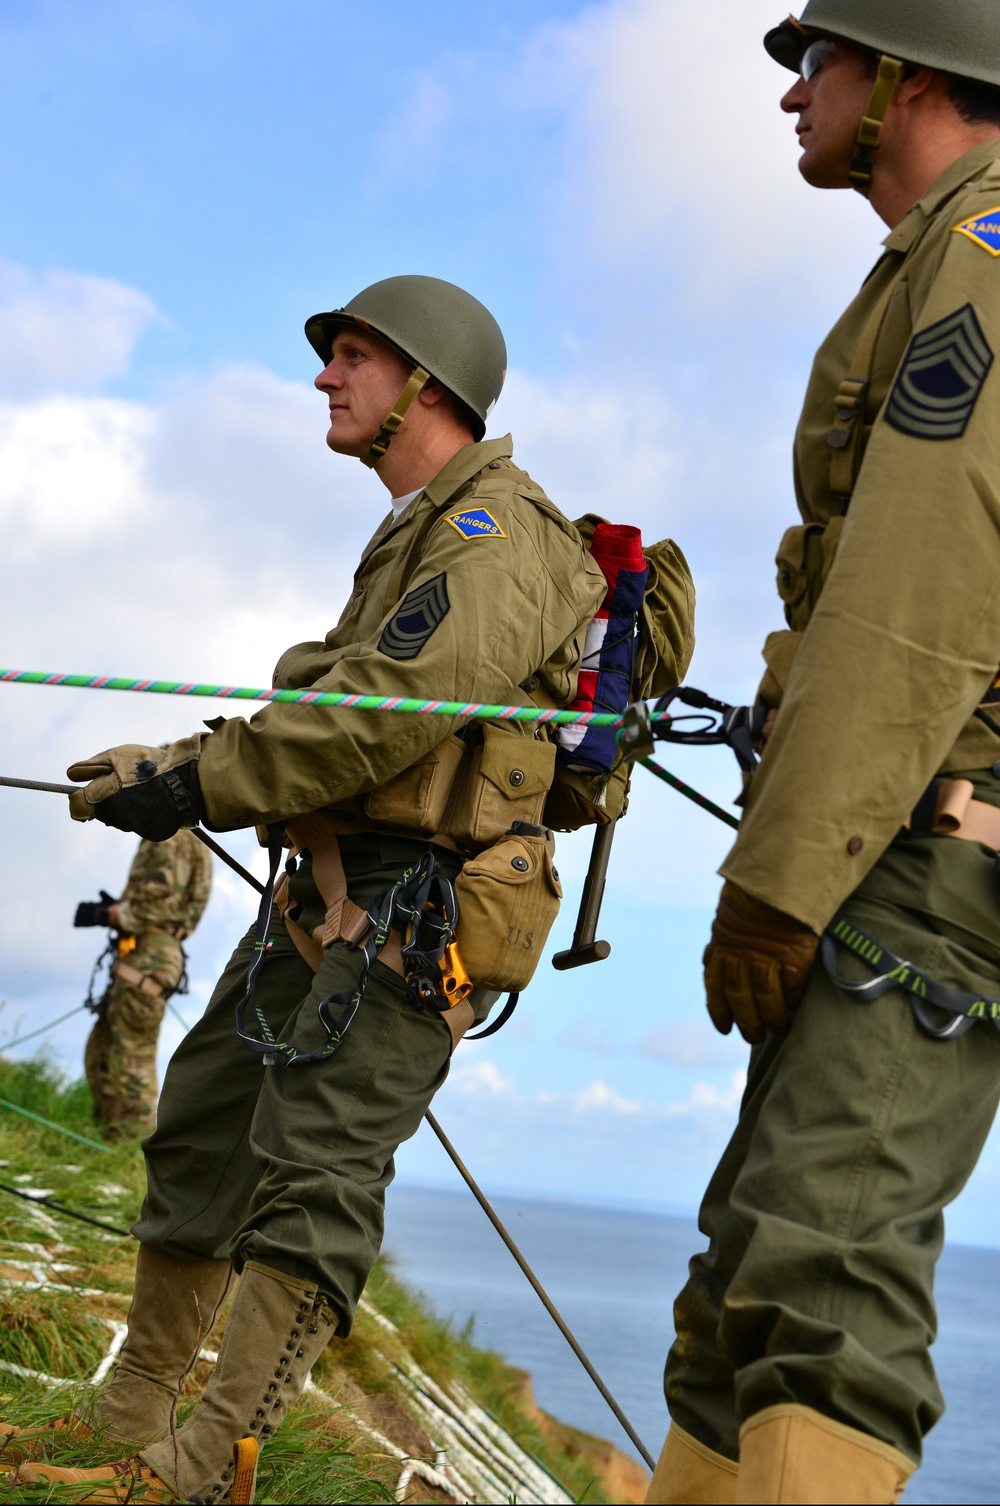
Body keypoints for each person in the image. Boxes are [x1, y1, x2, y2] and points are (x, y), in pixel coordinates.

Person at [9, 275, 693, 1502]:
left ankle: (208, 1470)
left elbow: (383, 719)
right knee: (206, 1126)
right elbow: (349, 719)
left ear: (428, 387)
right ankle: (127, 1427)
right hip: (329, 885)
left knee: (318, 1173)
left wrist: (196, 777)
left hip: (413, 908)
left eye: (355, 356)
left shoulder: (496, 533)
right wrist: (187, 767)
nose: (327, 375)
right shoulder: (421, 527)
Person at [645, 4, 1000, 1503]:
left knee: (823, 1289)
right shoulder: (930, 262)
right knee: (744, 1297)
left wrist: (780, 881)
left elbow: (921, 593)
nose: (793, 92)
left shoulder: (985, 257)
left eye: (817, 60)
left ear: (906, 75)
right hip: (882, 835)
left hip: (922, 845)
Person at [75, 830, 213, 1137]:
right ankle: (112, 1138)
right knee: (104, 1047)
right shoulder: (193, 840)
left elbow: (159, 901)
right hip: (147, 953)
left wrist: (111, 914)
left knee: (131, 1055)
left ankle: (130, 1141)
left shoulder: (168, 834)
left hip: (149, 954)